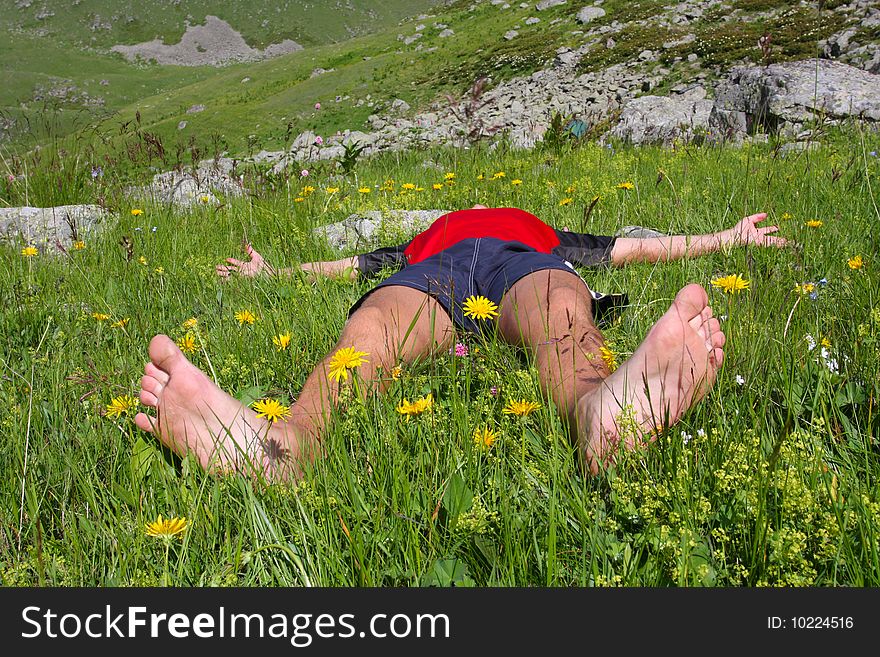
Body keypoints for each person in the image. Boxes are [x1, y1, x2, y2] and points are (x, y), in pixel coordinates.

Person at [135, 205, 789, 479]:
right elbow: (353, 265)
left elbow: (630, 247)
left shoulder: (538, 229)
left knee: (563, 305)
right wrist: (271, 274)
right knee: (369, 333)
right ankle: (284, 446)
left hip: (520, 260)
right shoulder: (427, 235)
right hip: (435, 270)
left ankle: (599, 412)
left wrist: (725, 239)